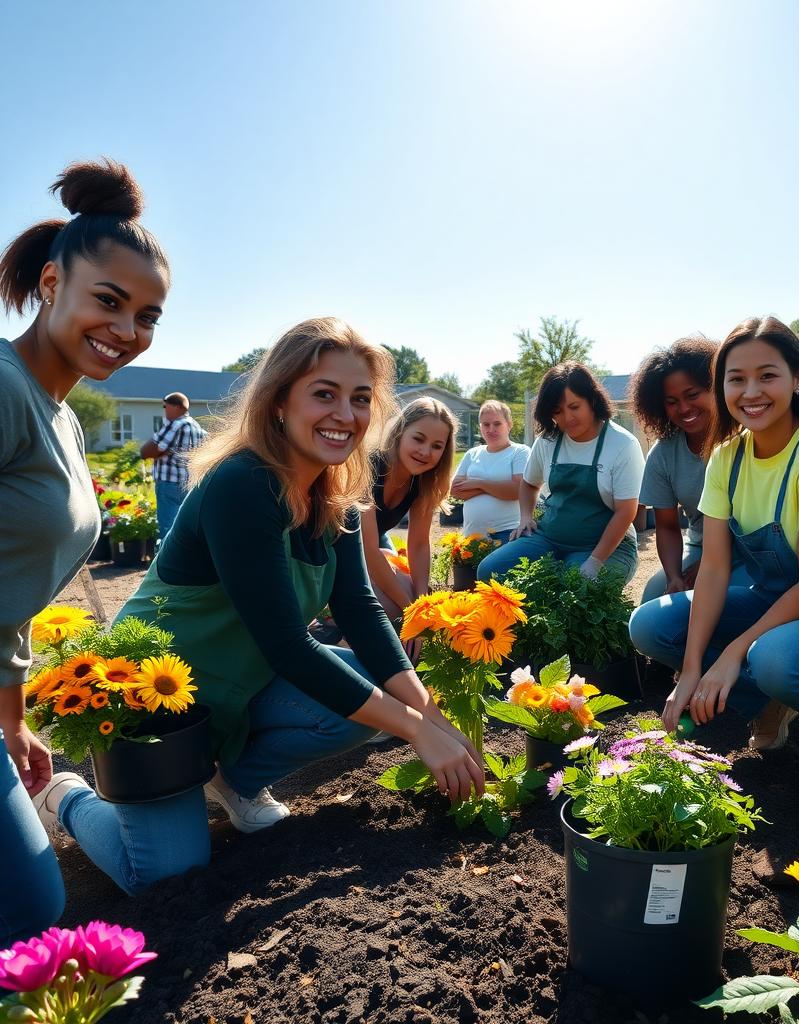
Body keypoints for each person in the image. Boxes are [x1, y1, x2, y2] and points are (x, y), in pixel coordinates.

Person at [29, 319, 485, 895]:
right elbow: (288, 646)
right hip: (155, 698)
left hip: (243, 681)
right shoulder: (243, 484)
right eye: (324, 393)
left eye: (361, 398)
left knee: (367, 688)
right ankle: (66, 797)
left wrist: (429, 713)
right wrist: (417, 732)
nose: (345, 414)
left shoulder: (339, 489)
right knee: (161, 874)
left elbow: (359, 605)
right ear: (278, 401)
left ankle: (232, 782)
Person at [0, 159, 170, 939]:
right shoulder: (4, 389)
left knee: (30, 906)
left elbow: (11, 585)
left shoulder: (61, 417)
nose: (128, 331)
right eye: (109, 300)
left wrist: (12, 722)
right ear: (49, 284)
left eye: (146, 316)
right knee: (30, 905)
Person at [630, 316, 799, 786]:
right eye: (736, 379)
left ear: (798, 378)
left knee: (771, 658)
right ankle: (769, 703)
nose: (750, 391)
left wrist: (733, 653)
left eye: (767, 376)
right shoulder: (727, 457)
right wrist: (692, 670)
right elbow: (715, 568)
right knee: (652, 625)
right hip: (774, 603)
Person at [477, 362, 645, 585]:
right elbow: (528, 484)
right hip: (549, 538)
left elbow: (626, 512)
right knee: (489, 570)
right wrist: (526, 517)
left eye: (574, 407)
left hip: (605, 547)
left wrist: (595, 561)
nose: (568, 418)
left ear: (592, 400)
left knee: (573, 591)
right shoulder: (548, 440)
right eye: (557, 411)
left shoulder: (622, 444)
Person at [628, 335, 749, 604]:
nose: (683, 408)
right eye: (671, 401)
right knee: (653, 597)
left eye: (692, 395)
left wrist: (712, 566)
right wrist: (674, 577)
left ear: (717, 388)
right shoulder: (664, 454)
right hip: (700, 546)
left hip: (755, 553)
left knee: (724, 603)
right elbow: (668, 526)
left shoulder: (749, 439)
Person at [361, 397, 457, 622]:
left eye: (436, 446)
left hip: (373, 543)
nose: (425, 451)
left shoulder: (423, 482)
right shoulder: (369, 467)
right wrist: (410, 610)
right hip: (334, 549)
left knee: (411, 589)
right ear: (400, 433)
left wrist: (421, 601)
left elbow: (420, 543)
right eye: (418, 439)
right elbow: (367, 550)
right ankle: (329, 628)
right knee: (390, 607)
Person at [450, 400, 529, 543]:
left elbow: (518, 490)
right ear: (480, 427)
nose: (491, 429)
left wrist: (479, 483)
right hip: (471, 537)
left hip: (508, 534)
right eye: (486, 424)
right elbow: (455, 490)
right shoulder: (472, 453)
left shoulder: (520, 452)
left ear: (509, 424)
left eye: (497, 423)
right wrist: (498, 487)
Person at [139, 390, 207, 541]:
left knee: (168, 527)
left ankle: (165, 563)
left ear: (177, 407)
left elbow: (145, 452)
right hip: (189, 483)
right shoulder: (197, 428)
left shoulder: (176, 424)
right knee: (186, 528)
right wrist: (164, 451)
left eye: (165, 406)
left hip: (169, 484)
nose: (164, 410)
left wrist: (162, 452)